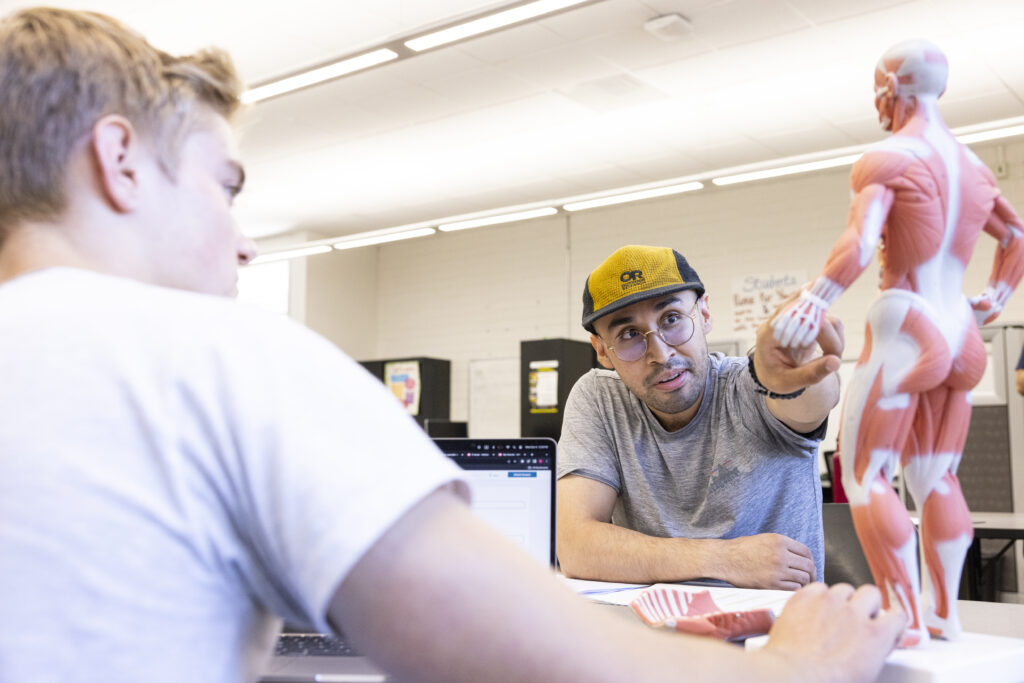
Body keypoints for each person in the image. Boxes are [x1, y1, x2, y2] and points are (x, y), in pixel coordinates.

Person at [0, 8, 906, 682]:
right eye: (222, 184)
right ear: (119, 160)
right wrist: (797, 669)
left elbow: (798, 399)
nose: (243, 242)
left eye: (672, 319)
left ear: (704, 316)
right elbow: (535, 656)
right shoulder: (216, 359)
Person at [772, 39, 1024, 647]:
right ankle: (945, 616)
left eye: (878, 90)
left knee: (866, 474)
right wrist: (992, 298)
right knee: (938, 476)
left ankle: (903, 617)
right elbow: (1015, 235)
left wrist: (814, 299)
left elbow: (861, 246)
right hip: (961, 332)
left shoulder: (887, 158)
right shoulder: (975, 169)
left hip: (907, 325)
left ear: (893, 88)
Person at [557, 244, 844, 589]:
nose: (660, 354)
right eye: (629, 334)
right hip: (653, 629)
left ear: (704, 314)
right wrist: (724, 559)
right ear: (602, 350)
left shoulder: (750, 386)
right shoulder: (600, 399)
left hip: (775, 631)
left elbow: (810, 400)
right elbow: (575, 546)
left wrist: (796, 373)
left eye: (672, 319)